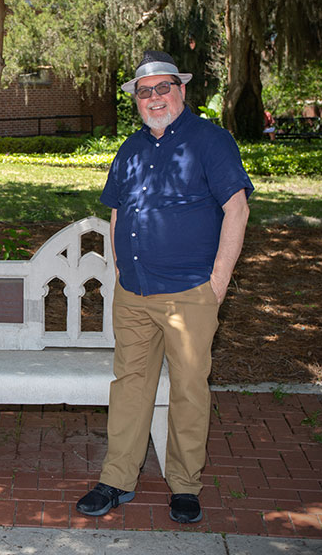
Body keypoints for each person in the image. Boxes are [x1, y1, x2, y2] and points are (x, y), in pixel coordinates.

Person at [76, 50, 252, 524]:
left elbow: (237, 210)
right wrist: (117, 273)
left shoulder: (210, 141)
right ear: (136, 100)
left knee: (189, 389)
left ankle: (185, 486)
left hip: (190, 292)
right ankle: (117, 478)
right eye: (143, 91)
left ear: (181, 90)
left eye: (162, 87)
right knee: (129, 386)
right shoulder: (131, 147)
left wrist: (218, 283)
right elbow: (116, 212)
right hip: (133, 291)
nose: (154, 97)